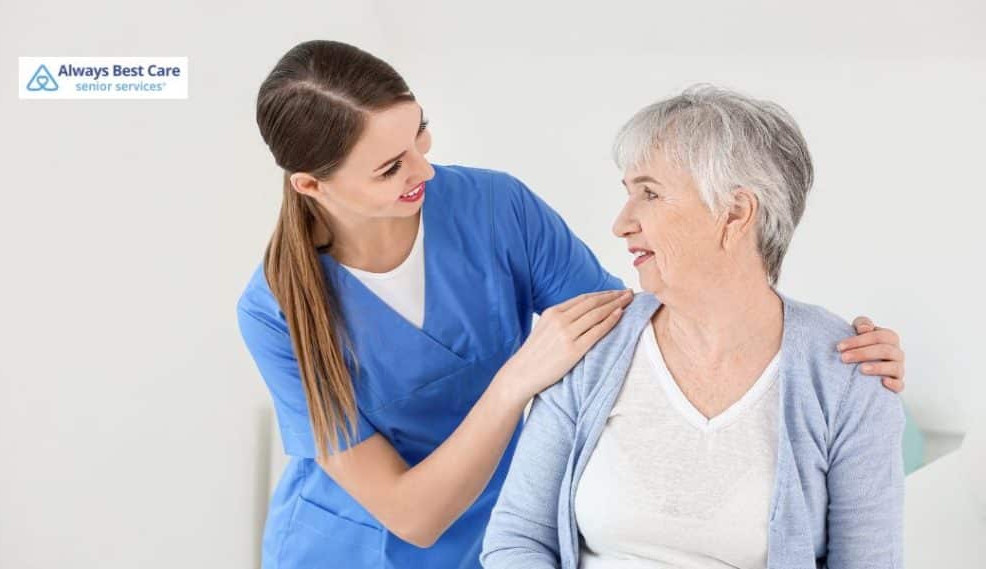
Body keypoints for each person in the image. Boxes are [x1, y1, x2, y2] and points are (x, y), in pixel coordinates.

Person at [236, 41, 906, 568]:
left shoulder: (495, 210)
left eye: (421, 134)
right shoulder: (276, 307)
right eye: (389, 168)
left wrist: (838, 355)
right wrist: (515, 381)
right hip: (349, 546)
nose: (425, 169)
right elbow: (411, 513)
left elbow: (634, 325)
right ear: (311, 184)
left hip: (491, 533)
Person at [481, 86, 905, 569]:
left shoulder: (850, 374)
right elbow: (517, 539)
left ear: (735, 213)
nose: (621, 223)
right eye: (629, 194)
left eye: (650, 194)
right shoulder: (592, 343)